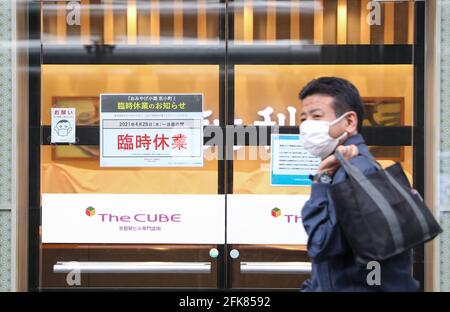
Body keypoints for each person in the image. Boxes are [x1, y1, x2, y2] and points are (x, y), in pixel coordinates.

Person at [298, 77, 419, 292]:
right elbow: (332, 266)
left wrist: (321, 179)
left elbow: (322, 244)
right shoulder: (342, 169)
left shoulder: (358, 173)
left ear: (350, 121)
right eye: (304, 118)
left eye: (317, 116)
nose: (307, 125)